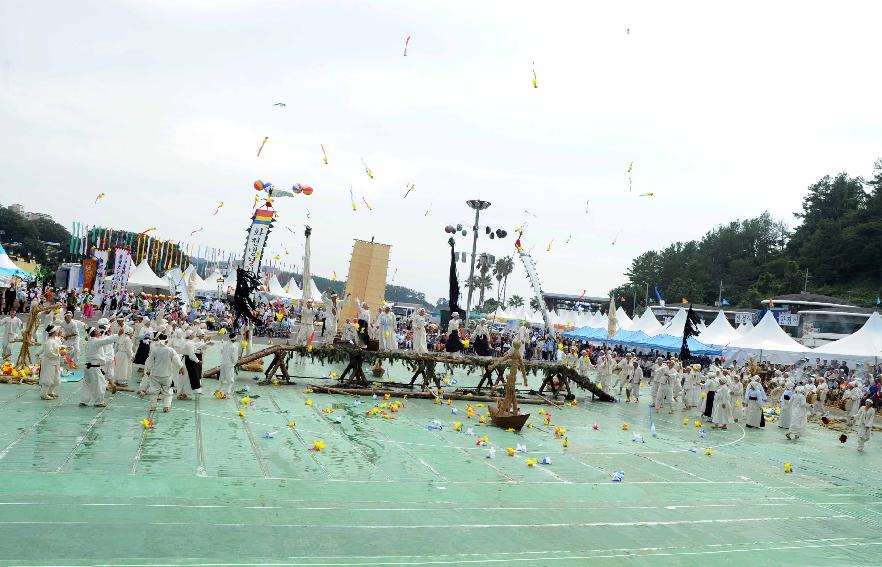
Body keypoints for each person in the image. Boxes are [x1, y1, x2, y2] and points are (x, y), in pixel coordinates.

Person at [140, 333, 183, 412]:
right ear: (166, 342)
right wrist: (181, 367)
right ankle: (166, 407)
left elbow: (149, 361)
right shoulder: (171, 350)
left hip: (156, 374)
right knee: (167, 392)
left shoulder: (154, 350)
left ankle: (153, 407)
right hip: (167, 374)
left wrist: (148, 370)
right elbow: (177, 360)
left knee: (154, 391)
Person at [80, 327, 117, 407]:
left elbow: (104, 338)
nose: (99, 331)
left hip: (88, 367)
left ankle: (84, 401)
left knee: (87, 385)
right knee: (100, 384)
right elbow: (107, 340)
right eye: (97, 330)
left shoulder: (91, 341)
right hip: (93, 367)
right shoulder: (95, 341)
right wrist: (119, 335)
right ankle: (99, 402)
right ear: (95, 333)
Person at [38, 325, 64, 400]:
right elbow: (49, 353)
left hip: (55, 362)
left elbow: (58, 348)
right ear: (53, 332)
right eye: (56, 331)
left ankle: (50, 391)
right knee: (48, 378)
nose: (57, 332)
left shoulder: (55, 340)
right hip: (49, 362)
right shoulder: (49, 342)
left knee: (55, 377)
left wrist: (63, 349)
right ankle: (43, 394)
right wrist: (59, 354)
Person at [217, 331, 239, 398]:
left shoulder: (225, 344)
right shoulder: (234, 347)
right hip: (229, 365)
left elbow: (221, 351)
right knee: (230, 380)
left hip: (223, 363)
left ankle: (218, 390)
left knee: (222, 379)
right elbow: (234, 358)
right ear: (235, 339)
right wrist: (234, 363)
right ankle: (227, 393)